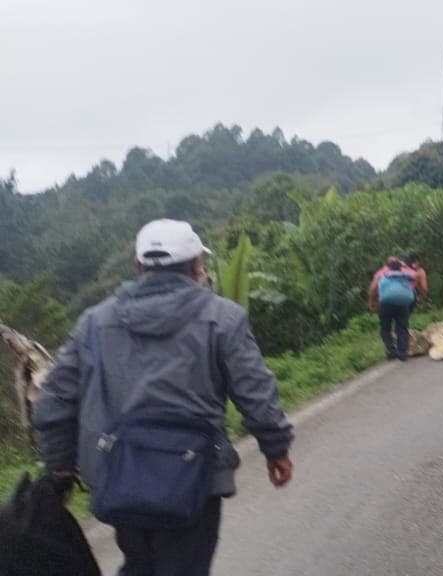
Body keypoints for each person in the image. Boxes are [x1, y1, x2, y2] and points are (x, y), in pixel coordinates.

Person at [34, 219, 295, 576]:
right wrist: (275, 448)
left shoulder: (94, 321)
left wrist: (60, 469)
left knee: (139, 564)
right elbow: (254, 390)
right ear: (196, 266)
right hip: (195, 475)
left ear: (138, 266)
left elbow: (55, 398)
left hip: (119, 474)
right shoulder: (223, 318)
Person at [369, 258, 416, 361]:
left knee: (385, 328)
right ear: (400, 268)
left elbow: (372, 289)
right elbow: (412, 288)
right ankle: (402, 353)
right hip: (403, 304)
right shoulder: (406, 276)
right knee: (402, 328)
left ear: (388, 267)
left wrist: (372, 302)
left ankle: (391, 351)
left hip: (386, 304)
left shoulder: (382, 275)